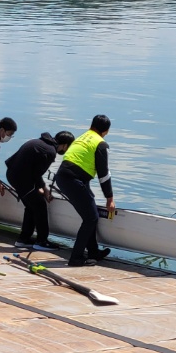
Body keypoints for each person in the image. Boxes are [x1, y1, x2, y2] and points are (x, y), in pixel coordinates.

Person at [55, 114, 115, 267]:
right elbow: (103, 174)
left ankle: (94, 252)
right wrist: (110, 198)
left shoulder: (82, 137)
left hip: (63, 177)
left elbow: (79, 164)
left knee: (90, 213)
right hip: (73, 180)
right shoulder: (100, 144)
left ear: (92, 125)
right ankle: (76, 258)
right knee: (90, 218)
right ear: (106, 131)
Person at [5, 130, 74, 250]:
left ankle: (24, 239)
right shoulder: (50, 151)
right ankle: (41, 241)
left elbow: (34, 171)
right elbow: (36, 174)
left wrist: (41, 188)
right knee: (40, 205)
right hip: (22, 178)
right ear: (65, 145)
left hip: (13, 174)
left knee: (31, 205)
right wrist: (43, 189)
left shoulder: (40, 142)